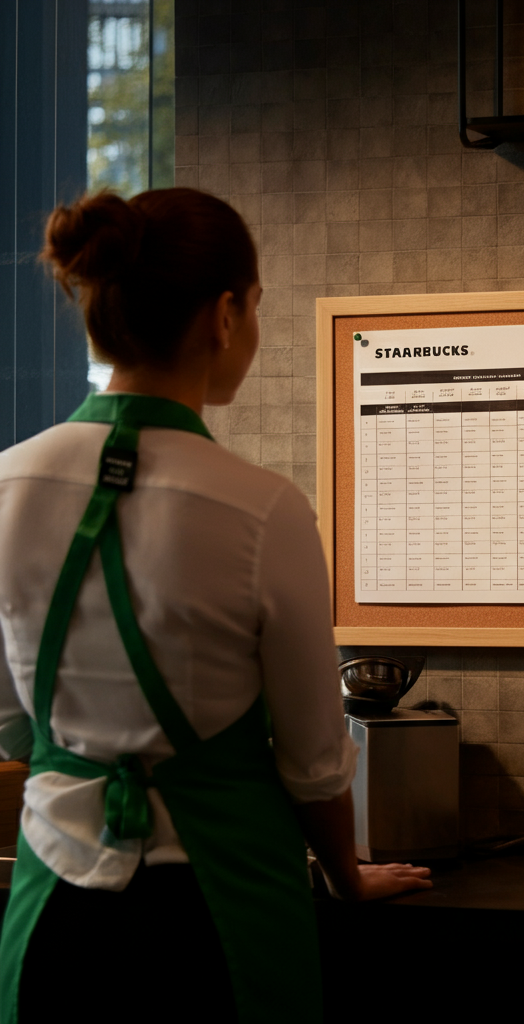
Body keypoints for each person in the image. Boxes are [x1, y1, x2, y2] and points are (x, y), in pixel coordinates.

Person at [0, 188, 431, 1024]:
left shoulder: (7, 483)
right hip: (219, 914)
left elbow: (14, 725)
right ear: (225, 315)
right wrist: (346, 876)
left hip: (53, 914)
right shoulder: (264, 509)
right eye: (257, 305)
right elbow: (313, 762)